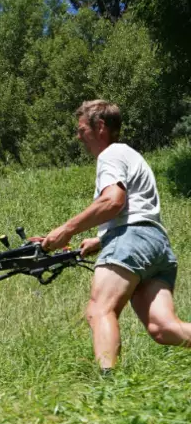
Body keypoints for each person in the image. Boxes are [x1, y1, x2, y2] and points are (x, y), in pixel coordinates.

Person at [34, 99, 191, 372]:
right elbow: (134, 208)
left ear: (100, 127)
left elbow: (113, 201)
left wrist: (66, 229)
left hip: (132, 239)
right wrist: (101, 240)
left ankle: (108, 391)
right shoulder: (129, 154)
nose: (78, 136)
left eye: (82, 128)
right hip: (155, 244)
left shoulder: (110, 155)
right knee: (163, 328)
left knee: (99, 310)